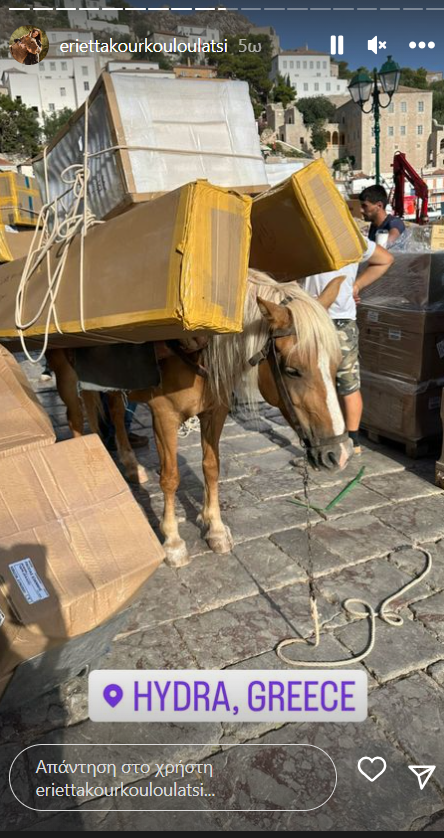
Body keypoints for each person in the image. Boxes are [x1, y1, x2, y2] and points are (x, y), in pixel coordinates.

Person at [305, 238, 394, 454]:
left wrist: (356, 285)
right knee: (348, 382)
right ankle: (351, 441)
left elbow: (385, 259)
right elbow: (385, 259)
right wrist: (355, 285)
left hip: (316, 320)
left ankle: (332, 441)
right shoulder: (351, 237)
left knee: (316, 383)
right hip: (336, 321)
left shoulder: (305, 234)